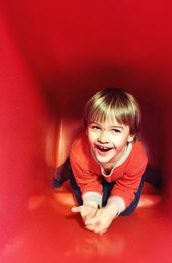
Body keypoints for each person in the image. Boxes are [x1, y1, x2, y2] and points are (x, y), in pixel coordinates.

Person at [57, 88, 148, 235]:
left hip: (127, 172)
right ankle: (66, 169)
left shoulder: (138, 158)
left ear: (131, 135)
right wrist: (91, 205)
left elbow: (126, 189)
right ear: (86, 129)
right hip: (88, 170)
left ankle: (148, 173)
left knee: (126, 209)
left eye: (115, 130)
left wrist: (111, 211)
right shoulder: (79, 151)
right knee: (87, 201)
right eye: (96, 127)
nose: (103, 138)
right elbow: (88, 183)